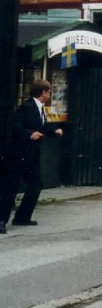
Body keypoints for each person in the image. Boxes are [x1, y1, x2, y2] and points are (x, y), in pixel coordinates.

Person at [0, 80, 63, 234]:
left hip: (30, 155)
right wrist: (29, 134)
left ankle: (22, 216)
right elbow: (15, 126)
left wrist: (54, 131)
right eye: (48, 92)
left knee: (36, 183)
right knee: (11, 186)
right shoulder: (26, 107)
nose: (49, 95)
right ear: (43, 92)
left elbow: (42, 126)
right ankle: (1, 220)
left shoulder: (40, 109)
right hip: (17, 154)